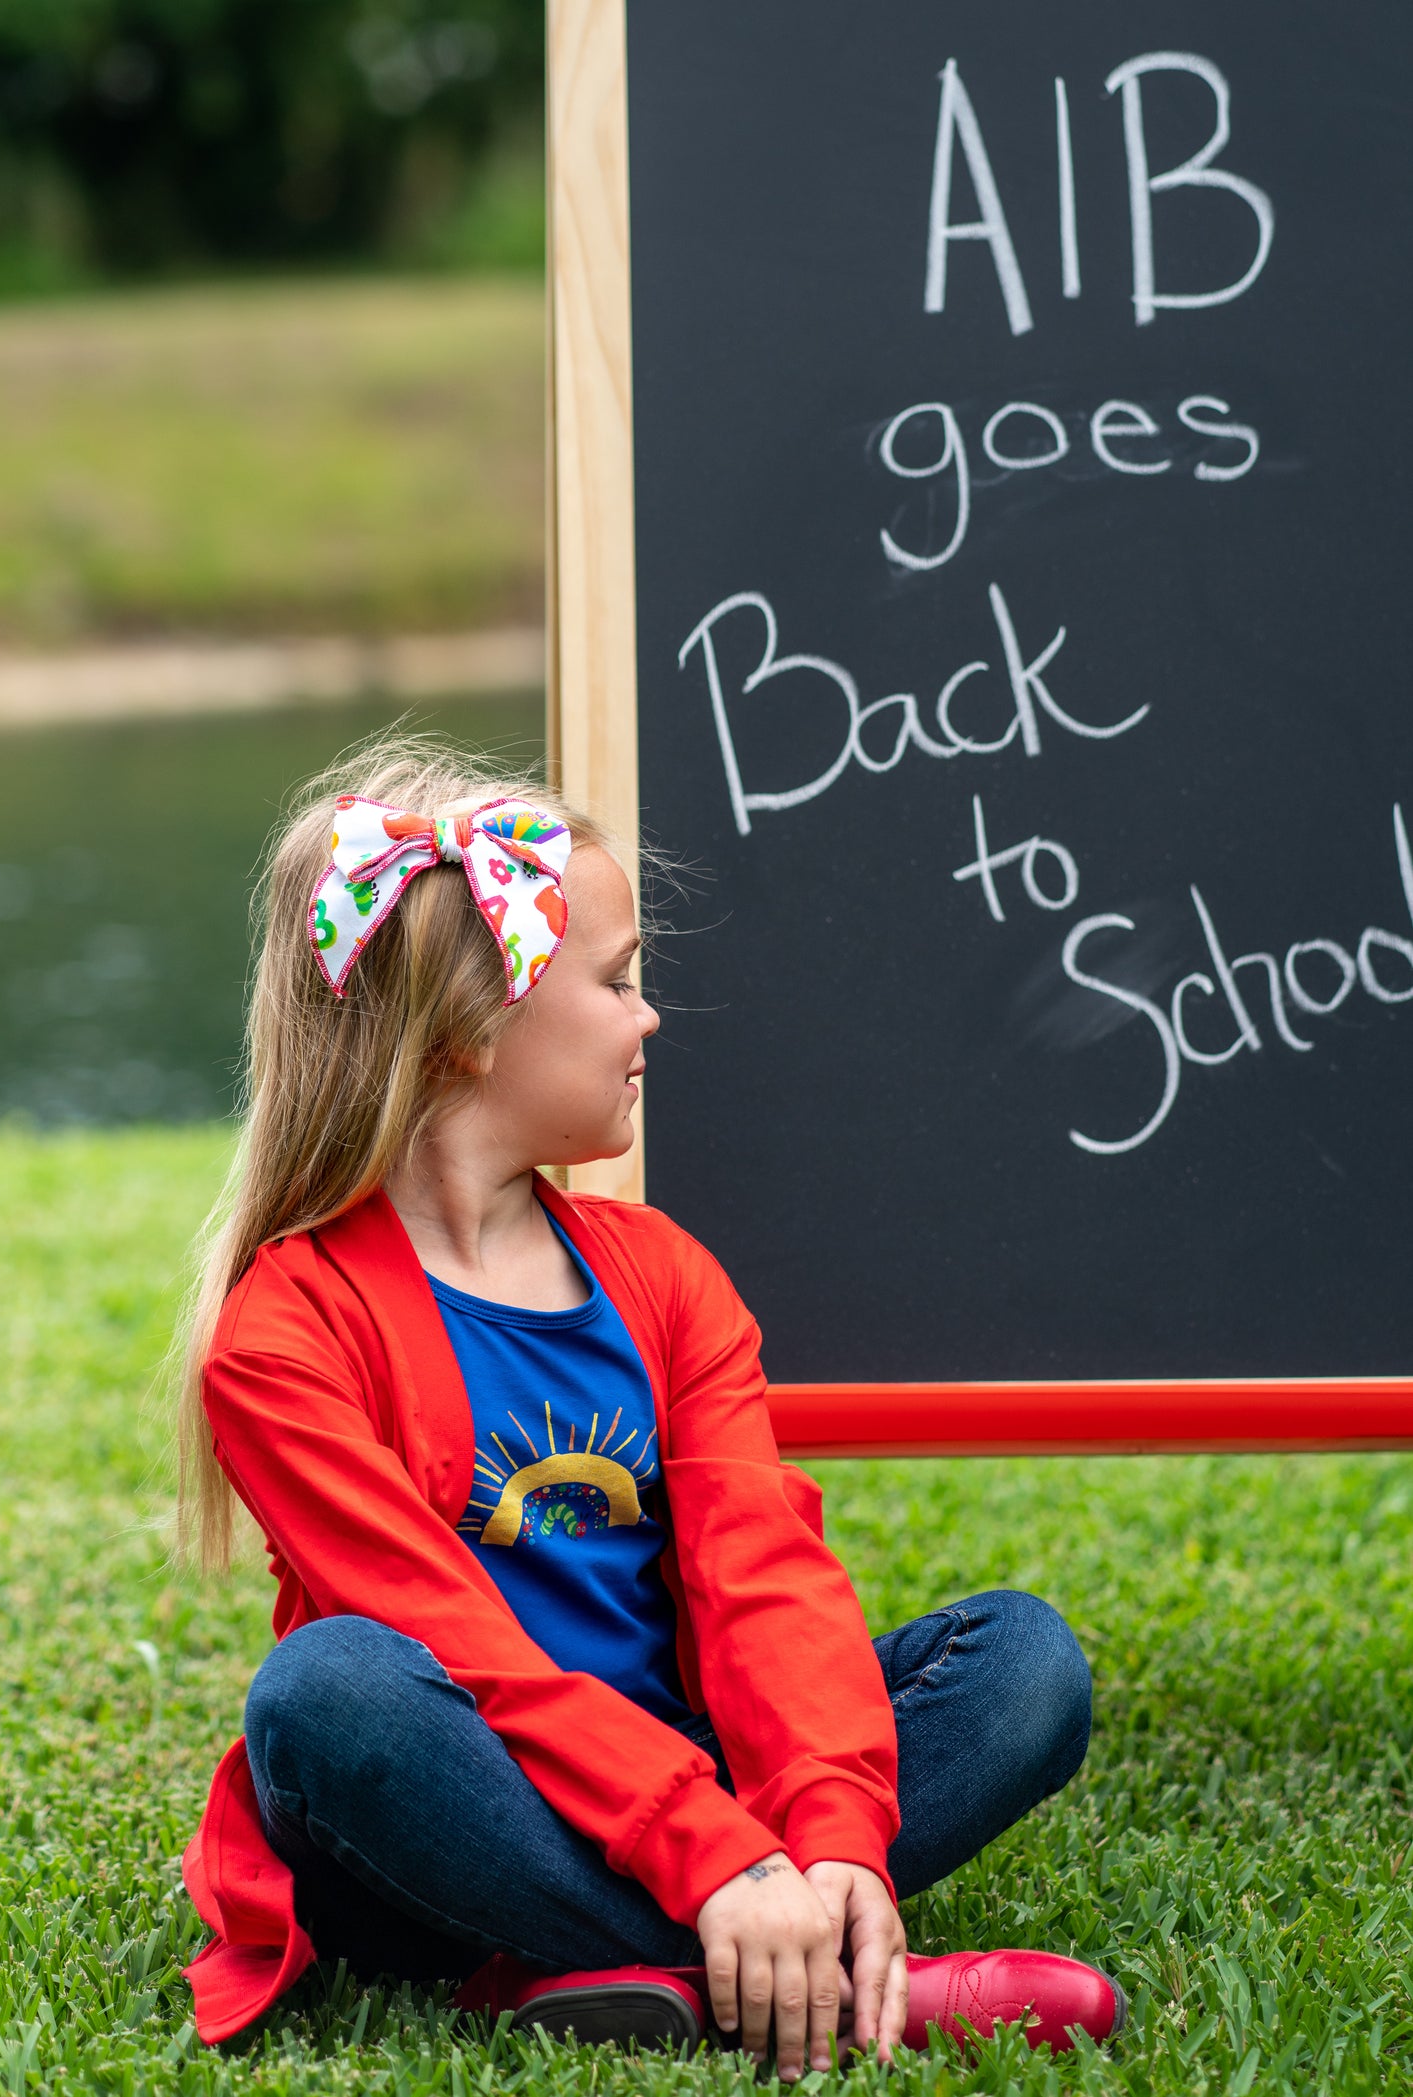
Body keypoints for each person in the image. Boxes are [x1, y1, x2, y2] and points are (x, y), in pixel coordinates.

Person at [176, 738, 1122, 2073]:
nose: (649, 1018)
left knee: (1024, 1662)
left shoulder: (664, 1275)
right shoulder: (287, 1332)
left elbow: (764, 1578)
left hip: (685, 1771)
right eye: (616, 981)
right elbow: (456, 1645)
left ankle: (617, 1960)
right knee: (327, 1693)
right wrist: (722, 1856)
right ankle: (834, 1980)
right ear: (468, 1029)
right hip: (460, 1806)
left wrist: (831, 1832)